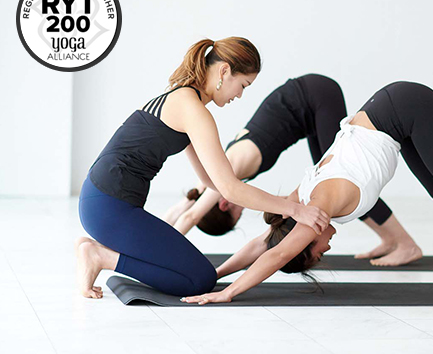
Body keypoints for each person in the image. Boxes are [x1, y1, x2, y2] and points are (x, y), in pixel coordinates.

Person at [181, 81, 433, 306]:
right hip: (392, 117)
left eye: (316, 254)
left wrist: (228, 291)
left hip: (404, 107)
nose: (326, 251)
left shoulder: (316, 209)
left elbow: (276, 254)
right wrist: (218, 273)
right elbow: (265, 242)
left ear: (306, 241)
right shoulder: (296, 206)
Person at [75, 37, 329, 299]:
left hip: (104, 201)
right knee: (199, 280)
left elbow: (210, 181)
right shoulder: (193, 109)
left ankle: (98, 251)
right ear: (224, 71)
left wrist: (282, 201)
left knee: (198, 274)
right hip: (109, 207)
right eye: (243, 85)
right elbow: (229, 188)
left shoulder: (184, 97)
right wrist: (294, 209)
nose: (239, 95)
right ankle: (100, 256)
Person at [163, 74, 422, 266]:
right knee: (335, 187)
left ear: (223, 204)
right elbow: (185, 207)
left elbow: (191, 217)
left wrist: (160, 256)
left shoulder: (231, 170)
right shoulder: (214, 177)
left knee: (345, 182)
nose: (243, 209)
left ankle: (405, 244)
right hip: (307, 110)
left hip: (315, 96)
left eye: (237, 214)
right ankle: (391, 239)